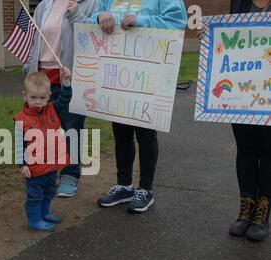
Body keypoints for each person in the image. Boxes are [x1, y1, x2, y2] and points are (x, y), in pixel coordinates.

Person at [88, 0, 187, 213]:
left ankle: (145, 190)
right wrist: (99, 17)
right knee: (120, 131)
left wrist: (140, 20)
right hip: (117, 72)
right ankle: (124, 185)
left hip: (149, 73)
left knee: (145, 132)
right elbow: (89, 19)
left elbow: (177, 22)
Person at [25, 0, 97, 198]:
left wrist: (75, 15)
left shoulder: (91, 3)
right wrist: (28, 68)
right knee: (43, 130)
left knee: (71, 127)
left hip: (71, 76)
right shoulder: (44, 5)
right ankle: (47, 172)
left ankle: (69, 176)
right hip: (42, 79)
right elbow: (35, 39)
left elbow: (94, 36)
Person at [225, 0, 270, 241]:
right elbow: (230, 37)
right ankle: (246, 210)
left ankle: (262, 213)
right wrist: (211, 38)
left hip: (268, 92)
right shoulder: (239, 2)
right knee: (245, 149)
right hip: (241, 92)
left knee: (268, 150)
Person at [14, 68, 73, 231]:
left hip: (51, 165)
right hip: (34, 168)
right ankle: (34, 220)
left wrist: (66, 83)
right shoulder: (21, 120)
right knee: (35, 196)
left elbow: (65, 99)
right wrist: (22, 164)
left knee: (49, 191)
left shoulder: (53, 110)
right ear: (25, 95)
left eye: (42, 98)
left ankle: (44, 213)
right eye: (33, 97)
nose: (38, 102)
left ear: (49, 96)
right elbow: (19, 145)